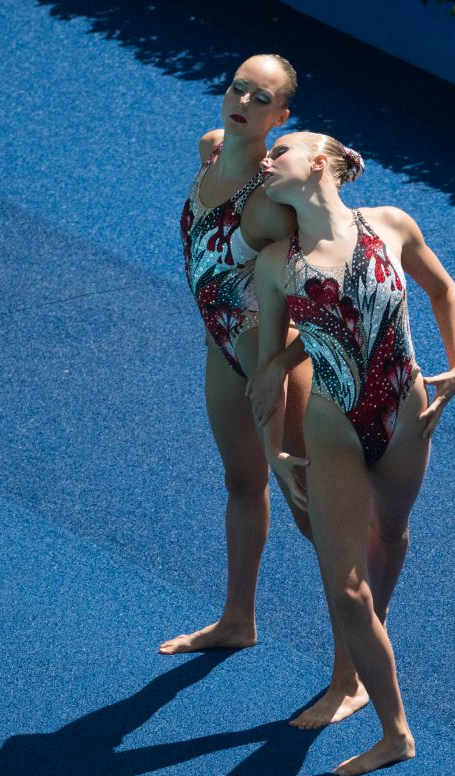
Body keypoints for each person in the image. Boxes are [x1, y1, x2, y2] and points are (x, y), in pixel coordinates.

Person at [251, 132, 455, 776]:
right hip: (332, 426)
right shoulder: (276, 265)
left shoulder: (390, 224)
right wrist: (276, 451)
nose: (268, 158)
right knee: (347, 591)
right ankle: (395, 730)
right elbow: (268, 375)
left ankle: (354, 666)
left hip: (405, 417)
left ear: (320, 162)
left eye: (280, 148)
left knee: (392, 534)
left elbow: (443, 291)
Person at [159, 55, 313, 656]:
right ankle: (237, 621)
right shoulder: (210, 148)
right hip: (222, 350)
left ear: (281, 116)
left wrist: (277, 362)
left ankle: (354, 668)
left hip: (272, 365)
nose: (243, 102)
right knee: (242, 483)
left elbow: (328, 292)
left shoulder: (276, 201)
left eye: (260, 98)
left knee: (312, 517)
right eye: (237, 88)